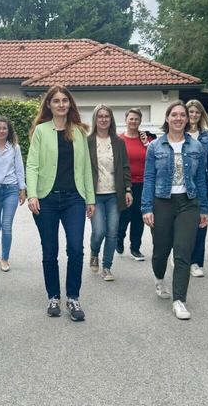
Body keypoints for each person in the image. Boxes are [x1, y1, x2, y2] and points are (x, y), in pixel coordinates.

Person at [26, 85, 95, 321]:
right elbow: (32, 164)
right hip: (46, 199)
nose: (61, 104)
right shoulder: (41, 131)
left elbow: (85, 167)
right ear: (49, 105)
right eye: (56, 101)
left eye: (65, 100)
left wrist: (90, 198)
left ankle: (73, 298)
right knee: (49, 250)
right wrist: (33, 194)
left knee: (76, 248)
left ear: (70, 104)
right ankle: (53, 296)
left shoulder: (79, 132)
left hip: (74, 198)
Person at [141, 101, 208, 320]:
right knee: (161, 250)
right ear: (167, 118)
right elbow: (149, 178)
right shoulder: (155, 146)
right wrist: (146, 207)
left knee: (183, 251)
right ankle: (159, 278)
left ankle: (179, 300)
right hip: (162, 202)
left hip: (188, 202)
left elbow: (200, 179)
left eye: (182, 115)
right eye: (174, 115)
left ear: (187, 119)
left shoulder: (196, 147)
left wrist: (204, 208)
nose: (179, 118)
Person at [87, 104, 132, 281]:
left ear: (111, 119)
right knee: (99, 231)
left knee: (112, 232)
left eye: (107, 116)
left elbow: (125, 167)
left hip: (115, 193)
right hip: (95, 194)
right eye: (100, 116)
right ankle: (94, 252)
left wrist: (128, 189)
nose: (104, 119)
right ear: (95, 119)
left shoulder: (119, 142)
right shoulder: (88, 141)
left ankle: (107, 267)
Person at [0, 116, 27, 272]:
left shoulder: (14, 147)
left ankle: (5, 258)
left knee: (7, 226)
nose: (2, 131)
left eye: (4, 128)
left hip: (11, 189)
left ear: (8, 130)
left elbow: (19, 168)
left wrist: (22, 189)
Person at [185, 100, 208, 277]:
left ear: (201, 115)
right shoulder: (180, 134)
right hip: (184, 182)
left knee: (201, 222)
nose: (193, 115)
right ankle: (181, 255)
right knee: (185, 223)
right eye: (190, 112)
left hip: (203, 183)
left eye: (197, 112)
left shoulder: (207, 136)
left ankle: (196, 261)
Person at [117, 108, 153, 261]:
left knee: (139, 217)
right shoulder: (119, 139)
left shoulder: (147, 139)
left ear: (140, 121)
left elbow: (154, 156)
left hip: (143, 184)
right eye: (131, 119)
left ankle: (135, 248)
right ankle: (119, 239)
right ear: (126, 120)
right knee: (124, 217)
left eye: (136, 119)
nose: (133, 121)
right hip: (125, 185)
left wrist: (146, 144)